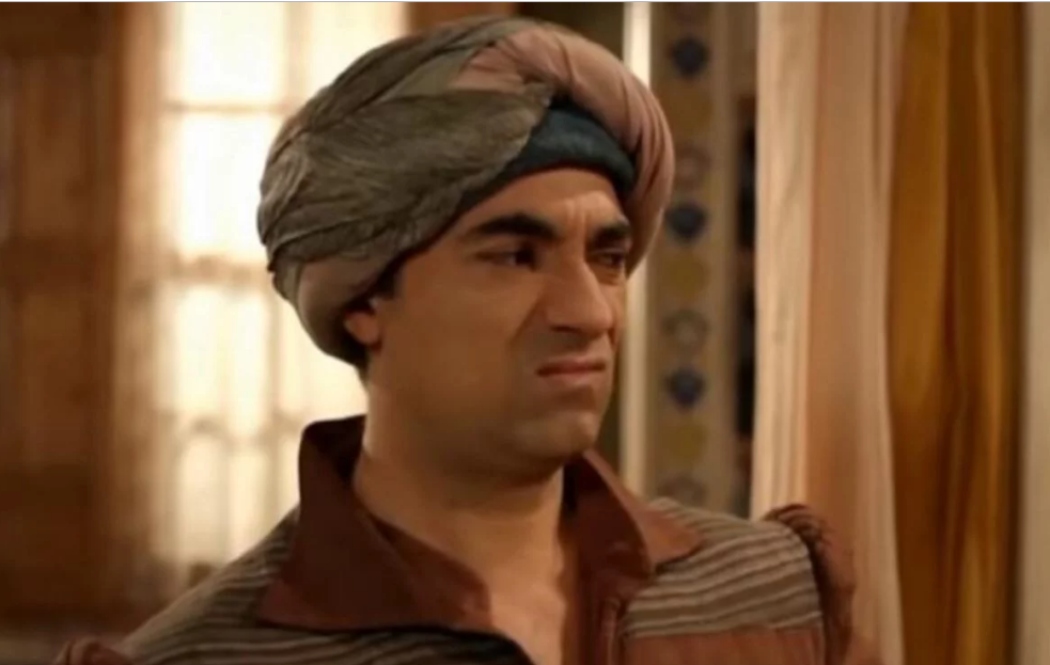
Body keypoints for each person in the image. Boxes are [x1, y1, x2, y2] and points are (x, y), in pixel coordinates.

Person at [56, 15, 863, 665]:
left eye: (608, 257)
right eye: (514, 256)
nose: (590, 312)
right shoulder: (206, 653)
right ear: (366, 301)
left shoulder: (774, 595)